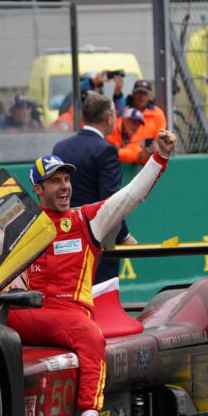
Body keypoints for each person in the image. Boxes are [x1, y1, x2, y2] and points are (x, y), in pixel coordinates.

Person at [5, 135, 175, 416]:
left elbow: (129, 197)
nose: (64, 186)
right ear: (38, 190)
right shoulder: (19, 227)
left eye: (67, 179)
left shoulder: (85, 220)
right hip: (28, 313)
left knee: (91, 336)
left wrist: (159, 159)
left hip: (70, 315)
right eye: (55, 181)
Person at [52, 94, 135, 283]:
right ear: (108, 117)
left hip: (64, 238)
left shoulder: (60, 148)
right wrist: (125, 236)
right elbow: (112, 200)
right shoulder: (105, 151)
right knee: (100, 297)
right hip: (97, 241)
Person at [106, 80, 168, 166]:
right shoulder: (122, 109)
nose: (141, 96)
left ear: (150, 96)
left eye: (144, 93)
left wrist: (152, 148)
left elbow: (159, 141)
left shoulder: (157, 113)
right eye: (139, 93)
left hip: (143, 156)